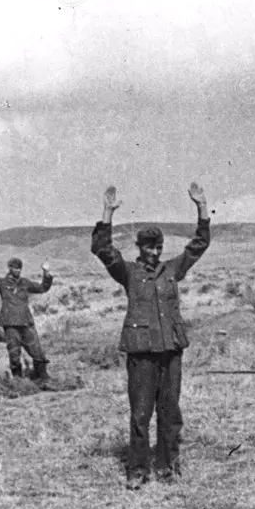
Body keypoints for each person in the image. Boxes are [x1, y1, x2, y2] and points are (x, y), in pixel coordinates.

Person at [91, 182, 211, 490]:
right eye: (149, 247)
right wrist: (107, 213)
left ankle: (168, 467)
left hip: (170, 351)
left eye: (158, 248)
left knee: (170, 413)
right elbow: (103, 250)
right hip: (141, 352)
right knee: (141, 413)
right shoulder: (128, 272)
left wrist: (201, 207)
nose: (155, 252)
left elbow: (198, 245)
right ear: (140, 248)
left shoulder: (171, 270)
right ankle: (138, 470)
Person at [0, 255, 53, 384]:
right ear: (9, 268)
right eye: (15, 268)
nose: (18, 271)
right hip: (10, 324)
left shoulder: (25, 283)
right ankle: (18, 382)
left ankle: (42, 378)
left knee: (37, 352)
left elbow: (43, 288)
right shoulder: (2, 283)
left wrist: (46, 272)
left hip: (26, 322)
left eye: (20, 269)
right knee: (14, 354)